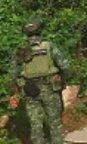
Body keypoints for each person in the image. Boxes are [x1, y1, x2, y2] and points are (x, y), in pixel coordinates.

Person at [8, 16, 69, 144]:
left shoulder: (21, 51)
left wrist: (13, 92)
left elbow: (12, 75)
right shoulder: (49, 46)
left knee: (35, 125)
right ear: (40, 29)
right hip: (50, 88)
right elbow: (65, 66)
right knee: (55, 123)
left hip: (30, 90)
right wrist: (63, 80)